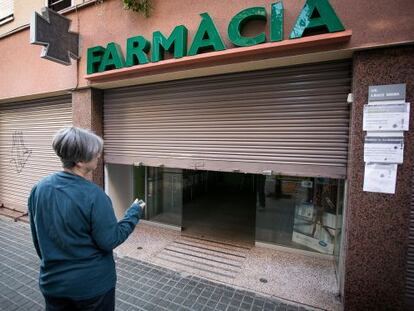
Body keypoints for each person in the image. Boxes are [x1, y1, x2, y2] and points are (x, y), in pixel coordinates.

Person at [28, 127, 144, 311]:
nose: (99, 155)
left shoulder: (39, 188)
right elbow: (110, 240)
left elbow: (38, 240)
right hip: (92, 289)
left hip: (53, 286)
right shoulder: (94, 196)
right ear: (80, 161)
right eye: (95, 153)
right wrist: (134, 213)